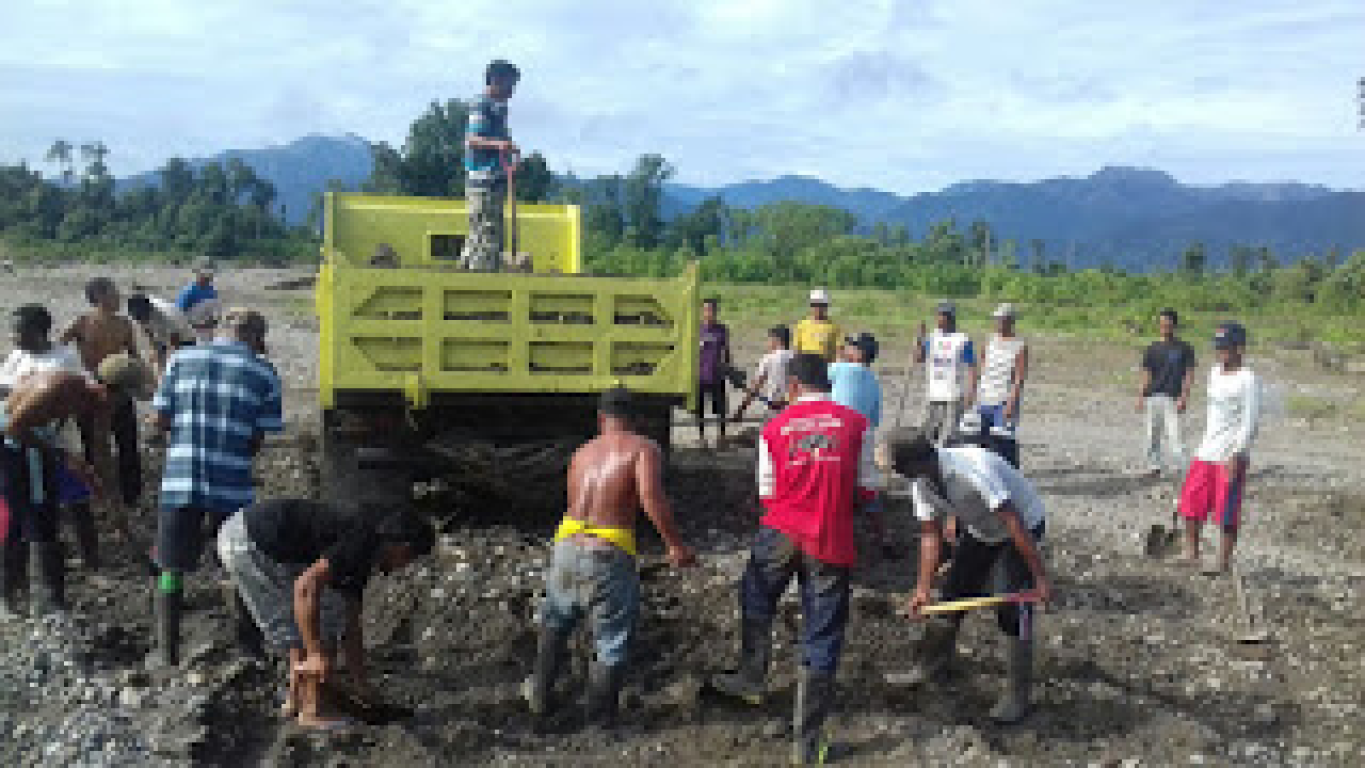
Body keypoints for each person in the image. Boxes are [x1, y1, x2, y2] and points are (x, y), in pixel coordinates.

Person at [711, 354, 878, 764]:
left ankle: (751, 676)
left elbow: (768, 492)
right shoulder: (857, 425)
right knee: (822, 630)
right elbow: (868, 489)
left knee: (756, 597)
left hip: (781, 530)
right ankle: (806, 744)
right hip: (830, 537)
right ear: (829, 384)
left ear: (794, 386)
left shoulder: (775, 428)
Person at [523, 387, 697, 726]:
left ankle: (540, 696)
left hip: (566, 546)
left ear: (601, 419)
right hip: (607, 553)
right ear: (635, 420)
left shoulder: (581, 452)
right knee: (612, 639)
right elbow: (651, 497)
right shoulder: (643, 449)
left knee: (556, 622)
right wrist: (675, 545)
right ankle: (599, 720)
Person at [882, 426, 1053, 724]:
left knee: (1012, 608)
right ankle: (931, 666)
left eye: (898, 469)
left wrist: (1040, 578)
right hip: (982, 529)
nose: (898, 475)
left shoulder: (972, 470)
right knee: (953, 596)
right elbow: (929, 536)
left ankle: (1017, 695)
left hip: (1022, 525)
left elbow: (1013, 522)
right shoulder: (922, 483)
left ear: (916, 463)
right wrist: (923, 589)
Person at [217, 499, 434, 730]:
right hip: (252, 542)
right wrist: (315, 654)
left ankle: (295, 700)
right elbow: (306, 587)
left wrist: (362, 685)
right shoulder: (361, 541)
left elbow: (351, 623)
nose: (404, 567)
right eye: (409, 560)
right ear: (402, 546)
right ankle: (313, 710)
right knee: (321, 620)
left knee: (312, 618)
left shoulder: (365, 551)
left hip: (244, 535)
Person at [150, 307, 283, 667]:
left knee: (170, 566)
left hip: (182, 478)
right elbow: (257, 438)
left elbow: (160, 419)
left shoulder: (180, 359)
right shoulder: (264, 373)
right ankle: (248, 648)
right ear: (258, 340)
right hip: (233, 484)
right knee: (239, 562)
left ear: (220, 330)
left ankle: (168, 651)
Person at [1, 357, 151, 618]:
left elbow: (102, 453)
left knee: (45, 515)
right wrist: (62, 455)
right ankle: (22, 597)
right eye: (123, 398)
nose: (121, 406)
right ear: (108, 388)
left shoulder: (99, 404)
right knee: (28, 517)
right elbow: (15, 428)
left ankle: (46, 596)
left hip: (38, 443)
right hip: (11, 445)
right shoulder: (59, 386)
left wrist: (112, 502)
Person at [1, 305, 100, 568]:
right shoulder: (17, 357)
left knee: (76, 500)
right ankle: (34, 556)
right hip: (22, 441)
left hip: (58, 440)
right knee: (32, 503)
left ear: (38, 332)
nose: (13, 336)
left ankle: (91, 557)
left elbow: (82, 395)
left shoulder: (63, 360)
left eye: (18, 331)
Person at [1178, 322, 1260, 575]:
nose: (1221, 352)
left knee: (1227, 511)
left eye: (1226, 347)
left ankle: (1222, 562)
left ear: (1239, 349)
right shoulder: (1214, 372)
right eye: (1219, 348)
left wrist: (1237, 453)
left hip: (1230, 455)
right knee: (1190, 502)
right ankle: (1191, 552)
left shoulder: (1248, 379)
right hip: (1206, 450)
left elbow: (1251, 420)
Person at [60, 278, 145, 513]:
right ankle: (95, 493)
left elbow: (134, 355)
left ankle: (131, 493)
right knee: (92, 443)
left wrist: (141, 379)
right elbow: (59, 348)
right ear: (99, 296)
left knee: (127, 440)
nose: (119, 298)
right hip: (92, 386)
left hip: (119, 385)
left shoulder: (125, 324)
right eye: (114, 293)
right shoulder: (82, 322)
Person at [460, 59, 521, 272]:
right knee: (486, 234)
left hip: (494, 178)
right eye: (510, 84)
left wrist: (508, 150)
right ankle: (480, 285)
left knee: (484, 232)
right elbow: (472, 140)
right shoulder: (481, 104)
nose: (512, 91)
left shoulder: (499, 109)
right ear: (496, 80)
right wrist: (500, 144)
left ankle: (468, 272)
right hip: (482, 180)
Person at [1137, 308, 1196, 477]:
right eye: (1161, 323)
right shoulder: (1152, 348)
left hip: (1173, 397)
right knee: (1151, 435)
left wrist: (1184, 396)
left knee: (1175, 435)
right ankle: (1153, 466)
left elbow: (1189, 373)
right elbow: (1147, 373)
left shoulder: (1184, 348)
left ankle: (1182, 467)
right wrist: (1141, 396)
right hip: (1153, 396)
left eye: (1167, 324)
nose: (1164, 326)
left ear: (1174, 325)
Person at [915, 302, 977, 444]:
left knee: (948, 435)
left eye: (941, 316)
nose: (938, 319)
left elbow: (972, 367)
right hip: (933, 393)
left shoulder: (962, 340)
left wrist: (971, 393)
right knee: (924, 433)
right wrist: (920, 339)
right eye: (937, 315)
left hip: (953, 395)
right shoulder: (932, 337)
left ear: (950, 318)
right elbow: (919, 358)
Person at [972, 303, 1029, 433]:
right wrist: (975, 395)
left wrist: (1011, 403)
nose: (998, 323)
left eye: (1002, 319)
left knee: (1002, 440)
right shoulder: (989, 340)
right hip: (984, 399)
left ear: (1011, 321)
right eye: (997, 319)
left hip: (1003, 401)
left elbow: (1020, 377)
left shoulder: (1019, 345)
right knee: (979, 440)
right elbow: (982, 368)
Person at [733, 325, 794, 420]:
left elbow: (756, 386)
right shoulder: (796, 358)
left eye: (770, 339)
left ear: (777, 340)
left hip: (774, 405)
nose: (768, 343)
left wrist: (741, 409)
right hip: (793, 406)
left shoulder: (769, 359)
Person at [127, 292, 196, 375]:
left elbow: (175, 342)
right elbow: (148, 331)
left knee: (182, 366)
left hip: (185, 337)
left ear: (149, 310)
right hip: (167, 334)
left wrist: (171, 360)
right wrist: (156, 351)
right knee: (160, 362)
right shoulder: (141, 307)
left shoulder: (164, 317)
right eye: (138, 318)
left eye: (142, 318)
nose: (140, 321)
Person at [695, 297, 732, 449]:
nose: (709, 313)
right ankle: (702, 438)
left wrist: (728, 368)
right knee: (700, 409)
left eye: (712, 310)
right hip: (700, 375)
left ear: (716, 312)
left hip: (717, 375)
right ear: (702, 311)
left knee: (720, 408)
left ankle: (721, 437)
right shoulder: (696, 330)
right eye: (706, 309)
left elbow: (726, 351)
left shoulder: (722, 330)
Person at [794, 288, 841, 362]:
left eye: (821, 305)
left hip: (823, 366)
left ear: (826, 306)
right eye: (814, 305)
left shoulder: (834, 327)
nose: (818, 308)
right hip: (805, 365)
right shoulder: (802, 325)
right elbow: (797, 349)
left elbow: (837, 351)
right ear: (810, 306)